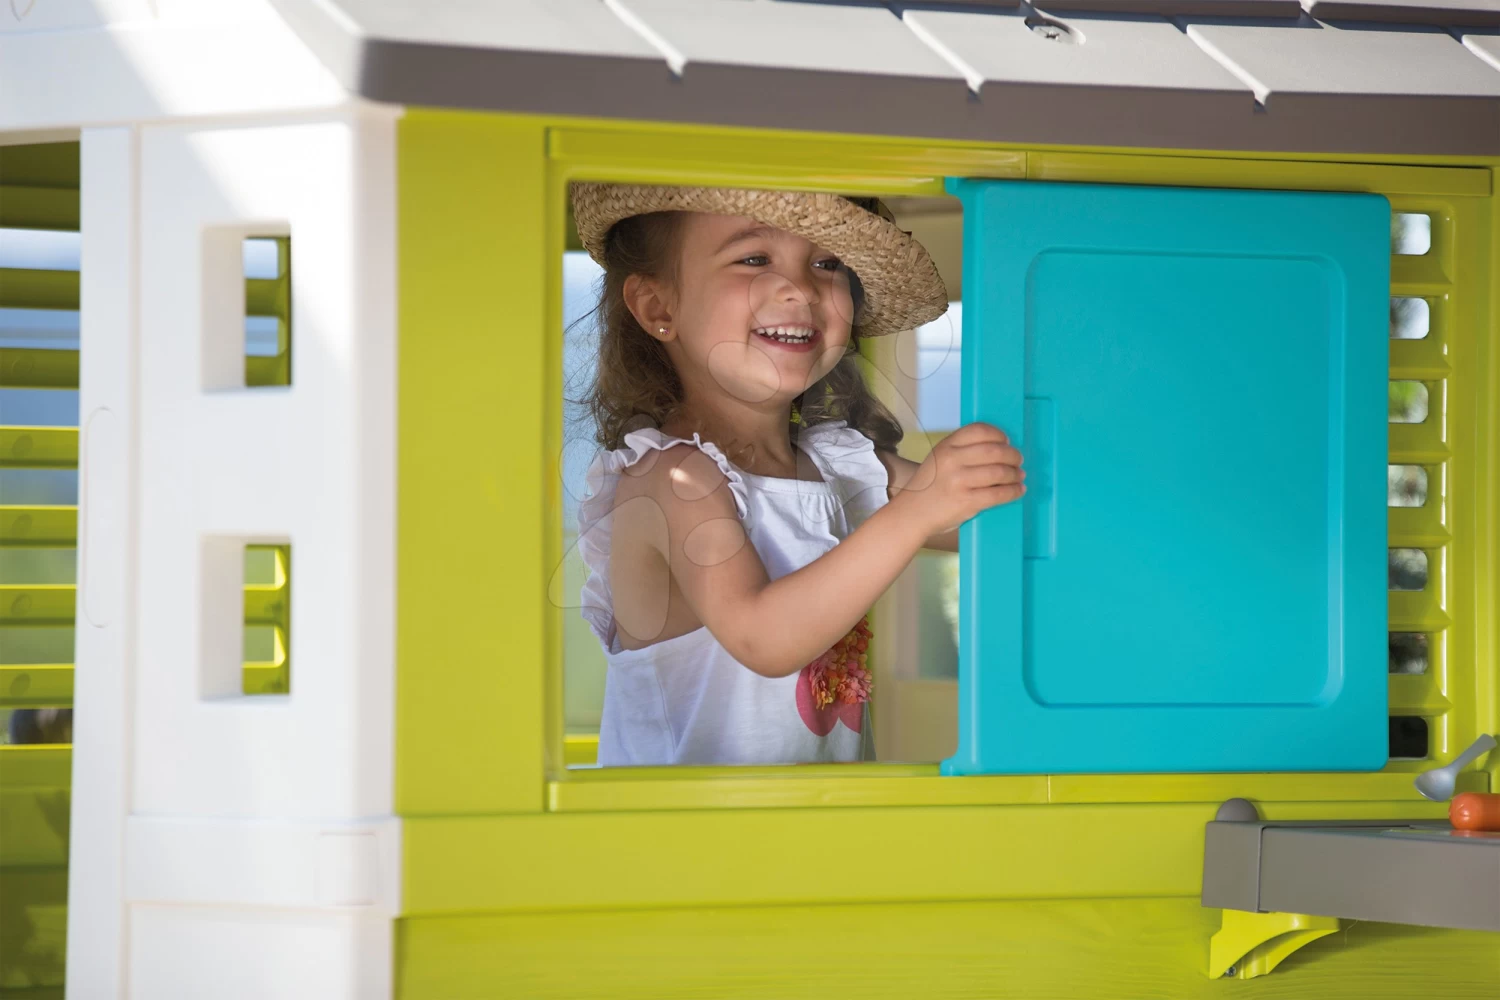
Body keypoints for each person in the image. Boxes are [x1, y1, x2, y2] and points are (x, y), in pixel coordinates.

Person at [571, 182, 1025, 767]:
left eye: (827, 263)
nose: (801, 288)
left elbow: (989, 519)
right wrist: (917, 511)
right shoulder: (672, 479)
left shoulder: (836, 465)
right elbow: (762, 638)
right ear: (660, 308)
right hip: (684, 823)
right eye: (754, 258)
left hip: (816, 813)